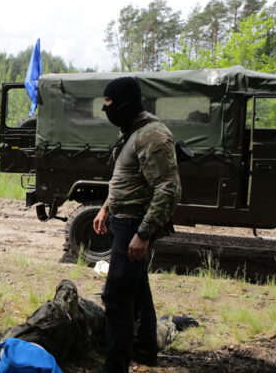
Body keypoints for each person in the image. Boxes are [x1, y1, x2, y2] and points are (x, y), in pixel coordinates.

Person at [92, 77, 181, 373]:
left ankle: (115, 365)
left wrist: (143, 234)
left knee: (116, 294)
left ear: (125, 103)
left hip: (134, 224)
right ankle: (144, 348)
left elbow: (168, 188)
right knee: (137, 288)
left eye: (108, 102)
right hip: (122, 219)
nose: (105, 108)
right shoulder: (130, 131)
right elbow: (125, 177)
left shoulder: (152, 134)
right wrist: (106, 208)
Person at [1, 280, 197, 371]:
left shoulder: (50, 319)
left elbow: (67, 286)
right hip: (91, 334)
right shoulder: (12, 347)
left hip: (97, 316)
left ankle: (169, 323)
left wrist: (67, 309)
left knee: (145, 339)